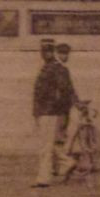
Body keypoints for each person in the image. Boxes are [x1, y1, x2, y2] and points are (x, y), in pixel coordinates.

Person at [30, 38, 77, 187]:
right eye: (44, 51)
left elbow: (65, 90)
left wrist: (59, 108)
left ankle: (43, 178)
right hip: (43, 111)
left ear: (53, 52)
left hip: (49, 112)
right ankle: (67, 162)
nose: (46, 53)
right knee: (47, 144)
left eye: (49, 50)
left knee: (45, 146)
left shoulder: (57, 68)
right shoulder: (47, 67)